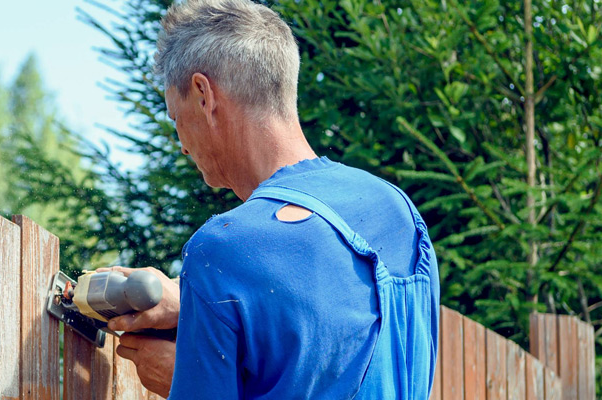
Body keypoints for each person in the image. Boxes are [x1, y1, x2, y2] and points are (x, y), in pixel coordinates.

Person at [98, 0, 440, 398]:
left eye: (177, 118)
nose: (183, 147)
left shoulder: (223, 250)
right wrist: (192, 305)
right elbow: (330, 329)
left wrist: (182, 381)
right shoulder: (398, 212)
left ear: (204, 94)